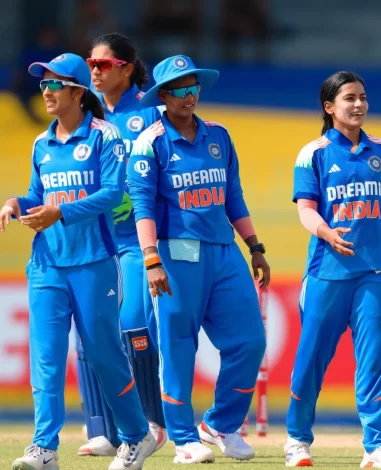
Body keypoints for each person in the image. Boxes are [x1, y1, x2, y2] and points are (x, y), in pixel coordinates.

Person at [0, 52, 157, 470]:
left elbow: (112, 194)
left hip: (94, 263)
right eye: (43, 85)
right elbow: (38, 196)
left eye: (54, 84)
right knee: (47, 360)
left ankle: (136, 436)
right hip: (47, 265)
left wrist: (61, 212)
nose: (46, 92)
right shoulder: (41, 142)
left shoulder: (106, 137)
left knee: (104, 355)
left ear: (77, 92)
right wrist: (16, 203)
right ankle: (44, 448)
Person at [126, 55, 269, 464]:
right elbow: (142, 206)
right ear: (163, 96)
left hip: (224, 252)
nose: (188, 97)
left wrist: (254, 246)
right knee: (177, 348)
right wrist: (151, 259)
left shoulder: (219, 135)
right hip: (175, 254)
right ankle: (184, 438)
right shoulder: (150, 142)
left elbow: (232, 195)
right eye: (179, 90)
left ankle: (220, 425)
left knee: (250, 342)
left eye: (193, 88)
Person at [285, 71, 381, 469]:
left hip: (375, 272)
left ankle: (377, 446)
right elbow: (306, 210)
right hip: (327, 272)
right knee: (311, 360)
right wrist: (326, 232)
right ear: (329, 107)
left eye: (362, 97)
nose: (358, 105)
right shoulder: (313, 153)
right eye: (349, 98)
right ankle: (297, 441)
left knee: (375, 360)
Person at [75, 32, 168, 458]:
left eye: (104, 64)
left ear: (126, 68)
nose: (95, 71)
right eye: (90, 64)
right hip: (96, 241)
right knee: (89, 331)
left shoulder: (151, 110)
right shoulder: (83, 112)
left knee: (132, 324)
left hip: (135, 240)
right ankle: (101, 429)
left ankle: (151, 422)